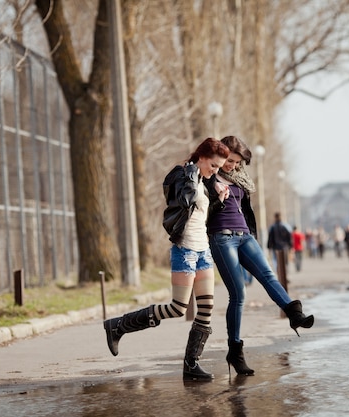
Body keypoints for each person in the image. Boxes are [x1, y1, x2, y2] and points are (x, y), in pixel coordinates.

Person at [103, 137, 230, 382]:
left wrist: (218, 200)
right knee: (177, 308)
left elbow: (197, 214)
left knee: (206, 308)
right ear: (201, 157)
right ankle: (119, 326)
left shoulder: (203, 181)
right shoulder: (182, 175)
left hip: (203, 251)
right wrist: (195, 176)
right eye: (213, 165)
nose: (215, 171)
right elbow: (183, 202)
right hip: (185, 250)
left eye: (218, 167)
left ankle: (191, 364)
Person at [205, 136, 314, 376]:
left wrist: (250, 233)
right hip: (222, 238)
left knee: (268, 274)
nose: (231, 165)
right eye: (229, 160)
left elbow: (244, 208)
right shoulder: (208, 175)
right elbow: (200, 206)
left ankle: (294, 315)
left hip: (245, 235)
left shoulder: (241, 179)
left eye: (236, 162)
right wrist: (214, 193)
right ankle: (235, 351)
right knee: (239, 293)